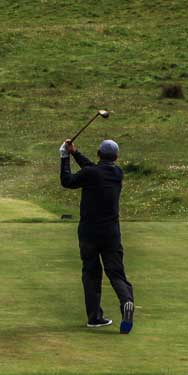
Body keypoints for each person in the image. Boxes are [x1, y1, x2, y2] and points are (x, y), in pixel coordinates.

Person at [60, 138, 135, 333]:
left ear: (98, 154)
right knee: (116, 273)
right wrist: (75, 152)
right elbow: (92, 170)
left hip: (89, 233)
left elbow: (67, 181)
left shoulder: (91, 173)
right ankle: (126, 301)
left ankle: (94, 317)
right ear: (116, 157)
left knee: (91, 274)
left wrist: (64, 157)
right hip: (111, 233)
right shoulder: (117, 173)